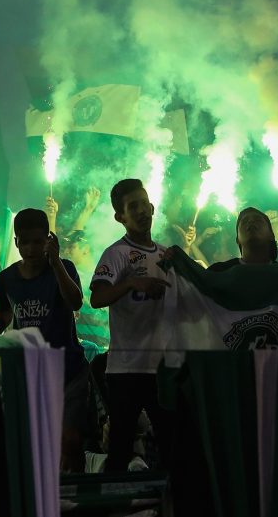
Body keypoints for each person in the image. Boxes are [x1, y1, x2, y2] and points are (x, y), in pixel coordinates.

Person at [0, 208, 87, 472]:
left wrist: (56, 263)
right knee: (36, 443)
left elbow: (75, 301)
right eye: (25, 242)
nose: (32, 249)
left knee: (70, 441)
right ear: (16, 242)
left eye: (38, 241)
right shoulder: (6, 279)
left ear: (48, 240)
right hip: (32, 372)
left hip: (69, 369)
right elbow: (4, 313)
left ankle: (74, 501)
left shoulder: (64, 268)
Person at [89, 179, 173, 472]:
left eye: (143, 203)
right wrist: (132, 283)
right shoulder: (117, 254)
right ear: (120, 217)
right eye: (132, 207)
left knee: (172, 444)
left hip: (162, 368)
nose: (141, 211)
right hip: (125, 369)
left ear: (153, 206)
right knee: (121, 446)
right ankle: (115, 506)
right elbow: (97, 297)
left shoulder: (166, 255)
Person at [208, 207, 278, 271]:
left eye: (258, 220)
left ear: (272, 235)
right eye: (244, 221)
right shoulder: (219, 272)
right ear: (237, 239)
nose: (251, 222)